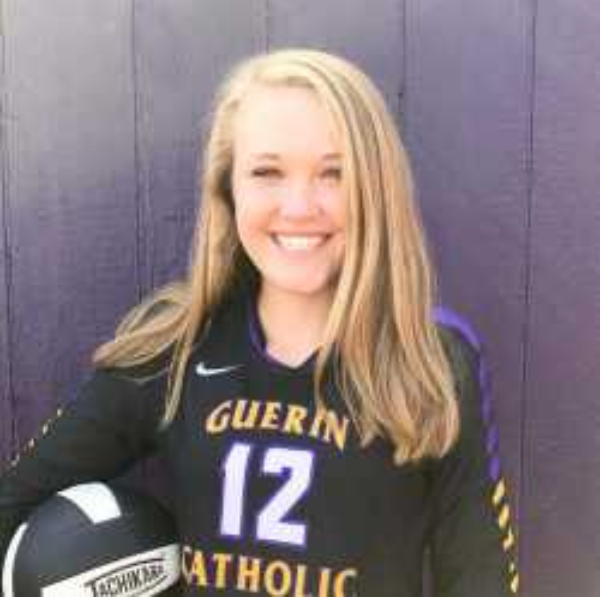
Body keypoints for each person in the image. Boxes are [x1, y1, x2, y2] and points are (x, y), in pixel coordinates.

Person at [0, 48, 519, 596]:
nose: (299, 206)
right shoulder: (175, 349)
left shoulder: (430, 357)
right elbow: (13, 502)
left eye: (334, 174)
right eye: (267, 172)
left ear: (376, 189)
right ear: (228, 189)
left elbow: (481, 578)